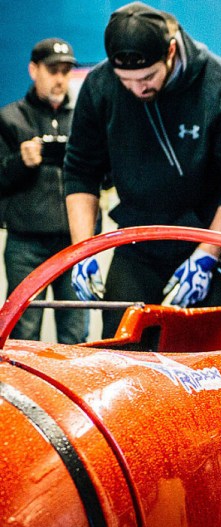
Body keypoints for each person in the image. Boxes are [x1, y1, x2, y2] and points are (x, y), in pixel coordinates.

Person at [64, 2, 221, 338]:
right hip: (139, 240)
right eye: (126, 81)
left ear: (171, 51)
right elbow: (80, 171)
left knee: (206, 351)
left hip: (208, 240)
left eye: (148, 77)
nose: (138, 89)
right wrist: (82, 251)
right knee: (120, 343)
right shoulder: (100, 86)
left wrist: (207, 255)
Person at [0, 38, 87, 344]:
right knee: (23, 332)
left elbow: (103, 179)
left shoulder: (83, 120)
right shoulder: (8, 118)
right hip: (25, 244)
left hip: (74, 245)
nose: (60, 78)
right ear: (33, 70)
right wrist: (19, 162)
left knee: (77, 334)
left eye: (65, 71)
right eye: (53, 70)